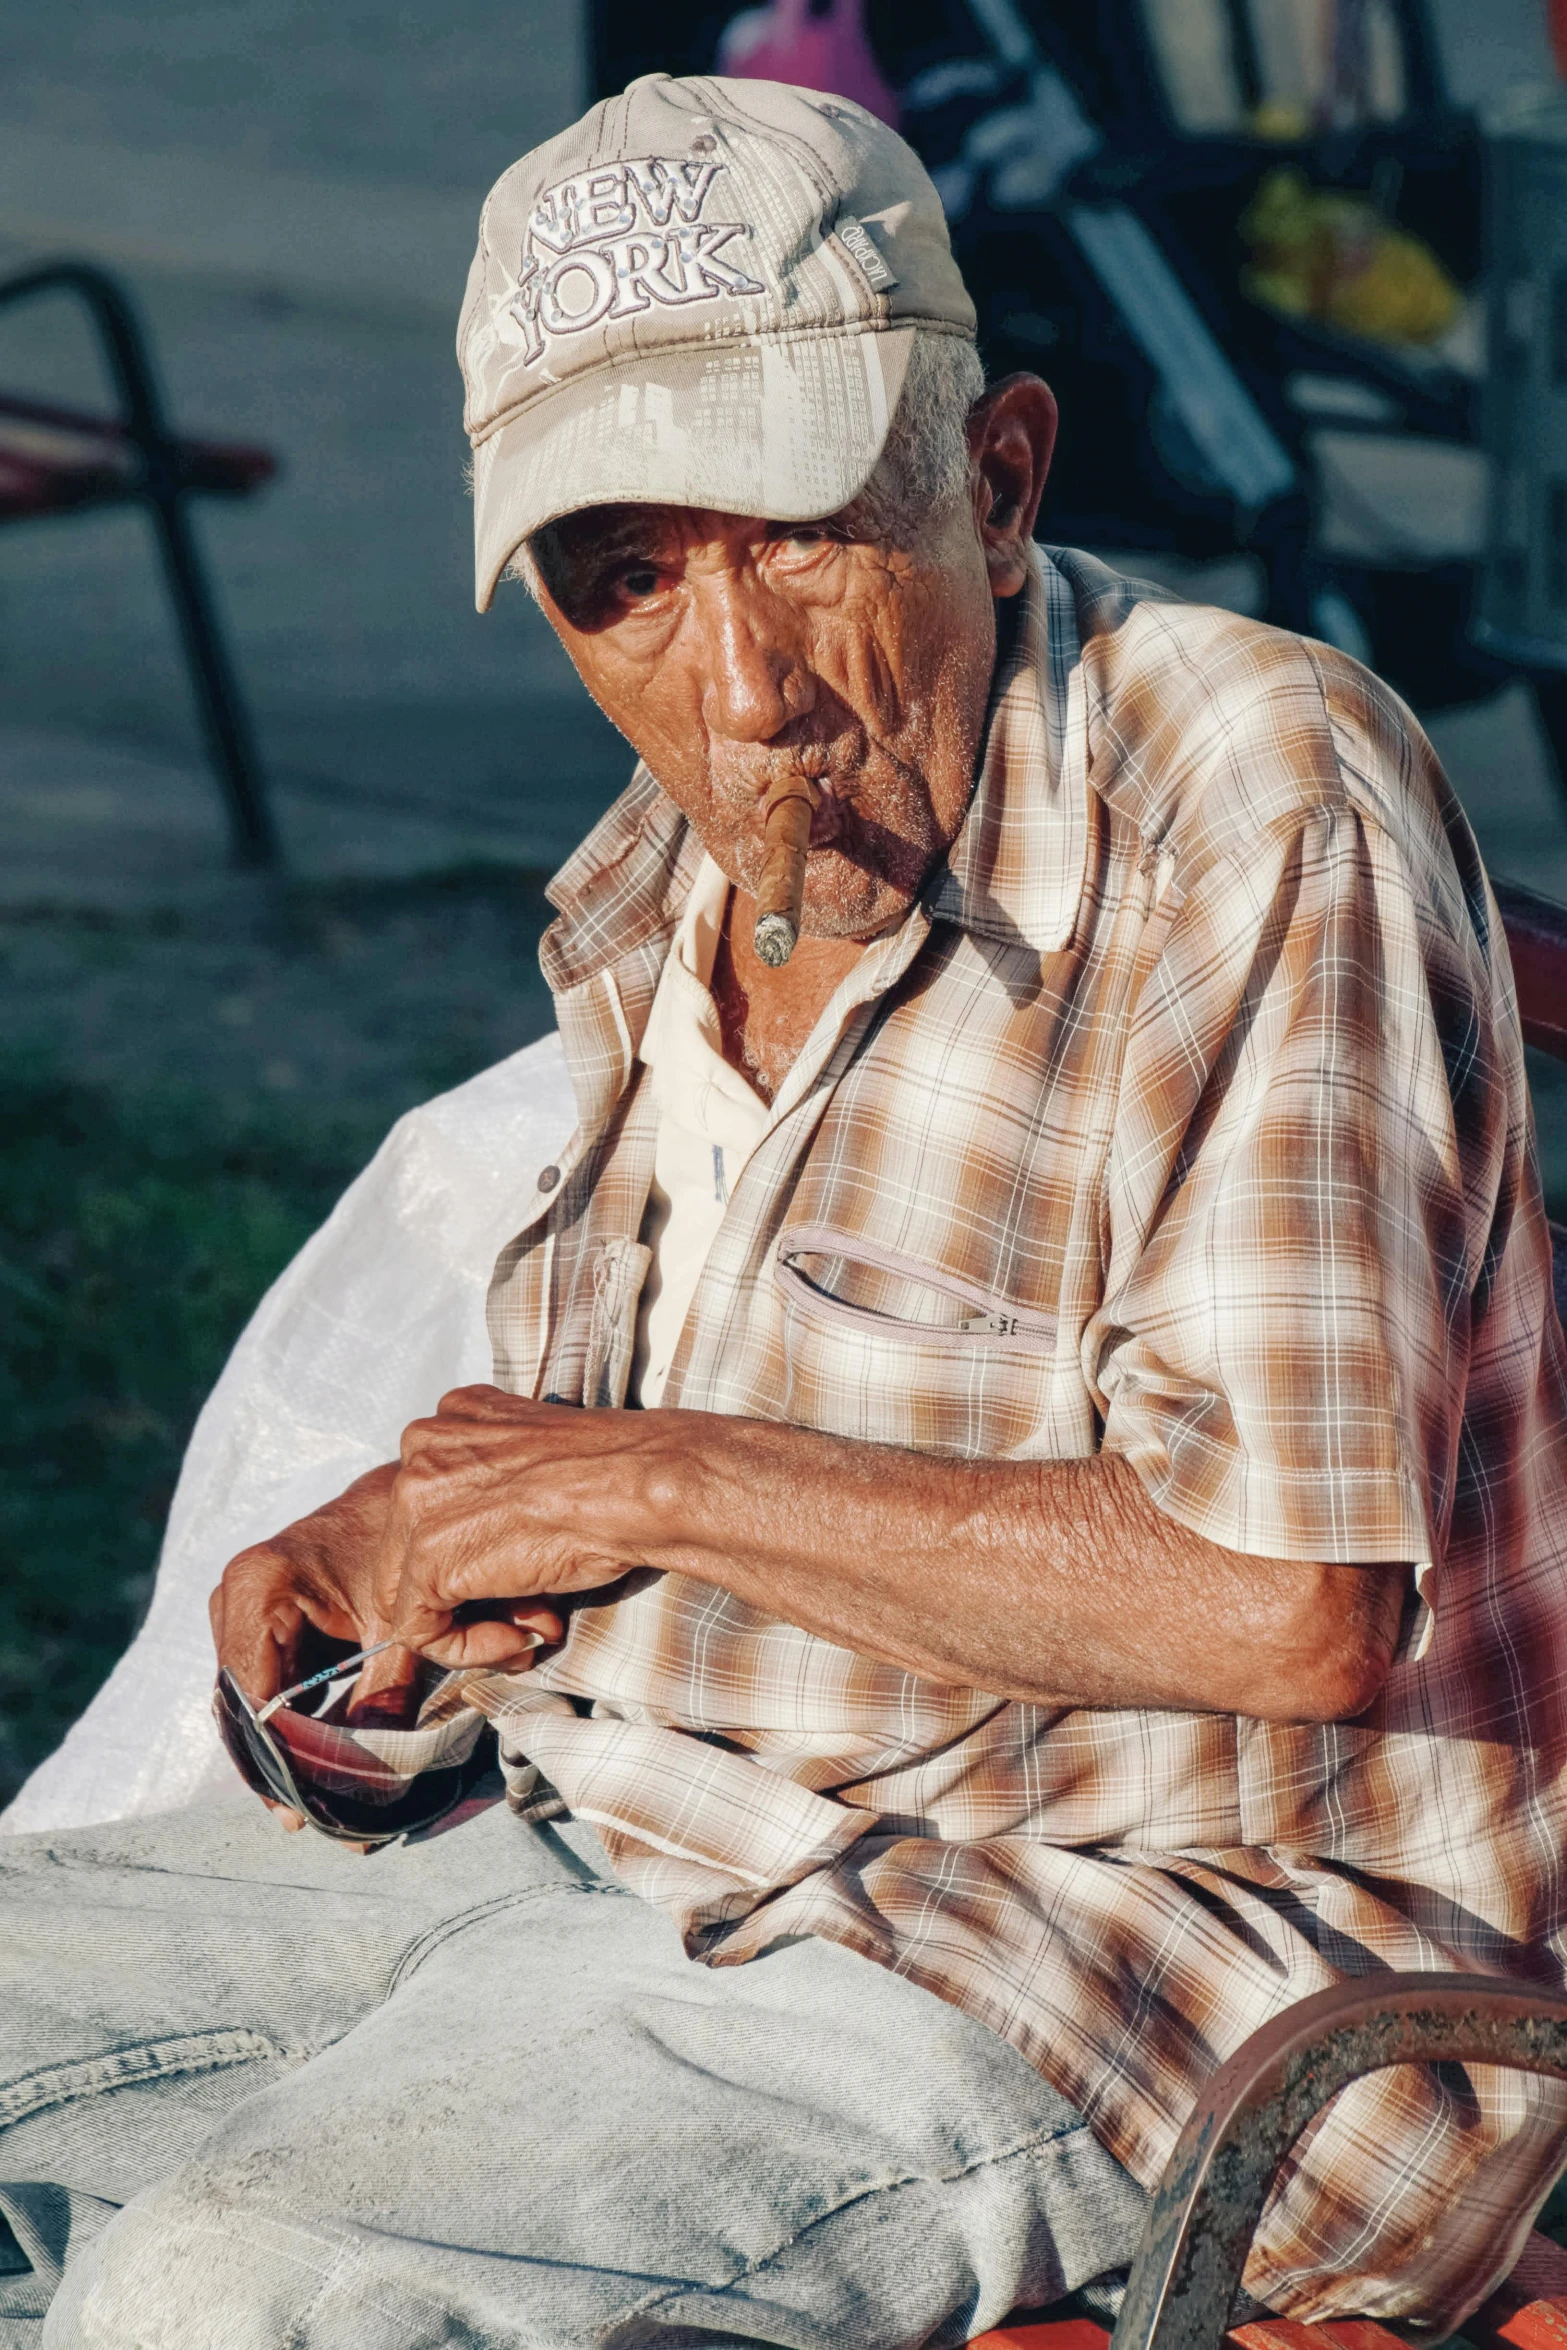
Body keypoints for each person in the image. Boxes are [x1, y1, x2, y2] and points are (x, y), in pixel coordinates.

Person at [4, 69, 1567, 2350]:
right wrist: (419, 1569)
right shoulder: (675, 870)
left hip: (1146, 1950)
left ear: (1000, 479)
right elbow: (739, 1508)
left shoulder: (1251, 783)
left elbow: (1290, 1600)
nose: (741, 687)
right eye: (621, 578)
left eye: (802, 532)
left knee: (225, 2299)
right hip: (619, 1830)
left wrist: (642, 1475)